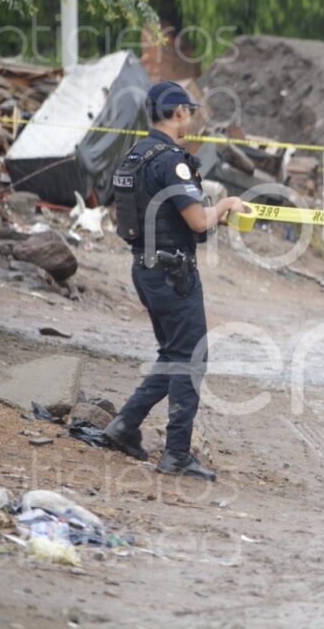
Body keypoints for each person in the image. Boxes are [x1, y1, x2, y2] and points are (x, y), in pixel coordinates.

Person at [103, 80, 247, 481]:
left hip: (145, 267)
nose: (192, 118)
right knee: (190, 358)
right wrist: (228, 204)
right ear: (179, 112)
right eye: (190, 110)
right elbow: (199, 220)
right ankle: (177, 453)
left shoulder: (134, 154)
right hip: (173, 272)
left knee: (174, 353)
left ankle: (125, 425)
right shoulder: (171, 161)